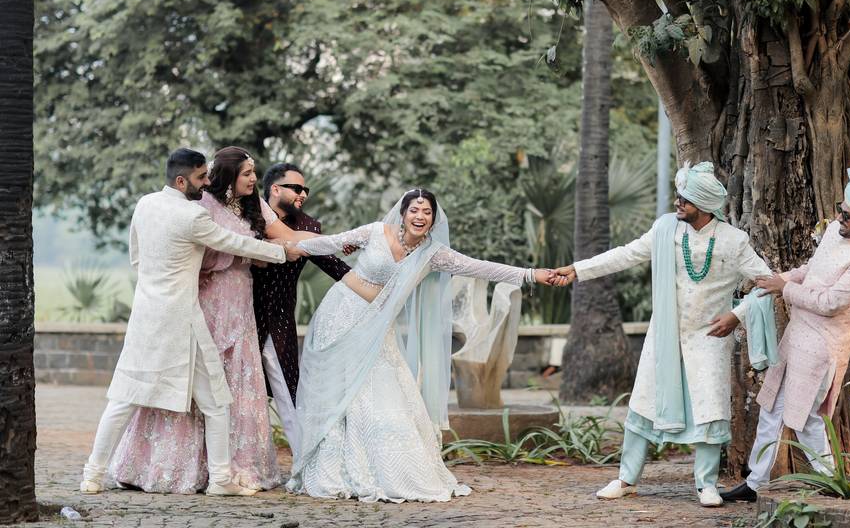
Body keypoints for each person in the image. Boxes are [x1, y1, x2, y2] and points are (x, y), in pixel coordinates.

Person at [287, 188, 555, 503]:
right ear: (403, 213)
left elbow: (480, 267)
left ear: (433, 218)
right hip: (339, 315)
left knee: (380, 392)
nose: (420, 216)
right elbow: (330, 243)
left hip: (376, 329)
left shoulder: (433, 254)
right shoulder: (375, 232)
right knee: (339, 393)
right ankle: (329, 469)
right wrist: (290, 247)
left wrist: (531, 274)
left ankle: (385, 469)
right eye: (414, 210)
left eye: (426, 212)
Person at [552, 162, 778, 508]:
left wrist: (736, 315)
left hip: (710, 339)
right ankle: (626, 479)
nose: (677, 203)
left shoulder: (734, 241)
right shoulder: (665, 231)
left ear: (702, 205)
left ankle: (706, 485)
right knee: (644, 403)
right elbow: (625, 255)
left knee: (709, 409)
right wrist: (578, 270)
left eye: (684, 199)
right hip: (665, 335)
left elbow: (767, 285)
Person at [81, 148, 297, 497]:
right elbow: (233, 242)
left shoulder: (145, 204)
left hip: (146, 318)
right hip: (184, 321)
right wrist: (282, 252)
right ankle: (221, 480)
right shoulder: (193, 217)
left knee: (124, 398)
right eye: (201, 177)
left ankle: (92, 475)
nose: (208, 182)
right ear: (182, 180)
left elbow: (137, 259)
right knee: (216, 402)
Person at [721, 167, 850, 503]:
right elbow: (811, 270)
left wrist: (785, 289)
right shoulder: (836, 231)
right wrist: (780, 280)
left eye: (847, 217)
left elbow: (830, 303)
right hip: (797, 336)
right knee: (772, 406)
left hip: (822, 348)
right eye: (840, 211)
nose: (839, 218)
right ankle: (755, 483)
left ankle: (834, 486)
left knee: (808, 421)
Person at [251, 163, 353, 459]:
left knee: (288, 393)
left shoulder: (309, 227)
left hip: (278, 322)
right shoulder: (248, 218)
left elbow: (334, 266)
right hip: (239, 317)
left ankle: (307, 461)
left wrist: (371, 287)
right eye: (297, 188)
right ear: (275, 189)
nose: (303, 194)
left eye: (305, 189)